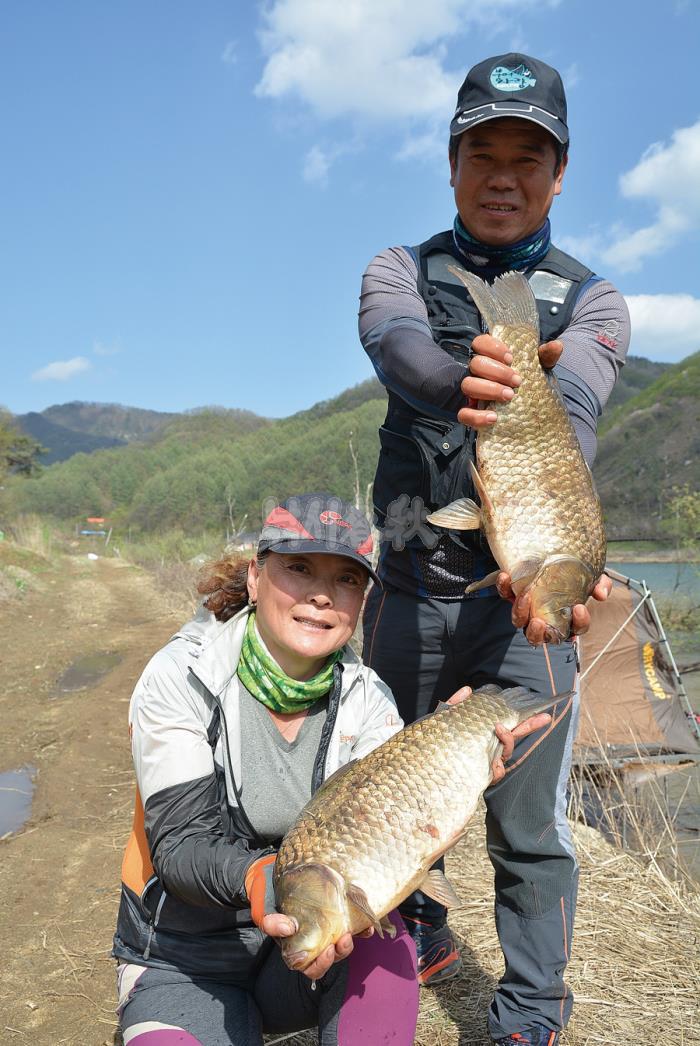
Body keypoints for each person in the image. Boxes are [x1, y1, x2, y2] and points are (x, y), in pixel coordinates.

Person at [359, 53, 630, 1044]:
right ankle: (411, 928)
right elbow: (399, 347)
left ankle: (527, 1013)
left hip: (528, 604)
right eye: (483, 152)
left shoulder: (594, 300)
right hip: (405, 595)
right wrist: (459, 377)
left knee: (528, 828)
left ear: (559, 175)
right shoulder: (397, 267)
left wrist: (562, 518)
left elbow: (585, 401)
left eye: (529, 156)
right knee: (386, 796)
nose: (504, 174)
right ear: (450, 162)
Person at [112, 492, 548, 1046]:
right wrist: (275, 884)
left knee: (388, 942)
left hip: (305, 946)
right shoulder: (181, 674)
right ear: (254, 576)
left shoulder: (369, 699)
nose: (321, 595)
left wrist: (450, 753)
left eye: (346, 580)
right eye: (298, 568)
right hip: (184, 958)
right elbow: (181, 848)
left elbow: (396, 840)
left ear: (361, 600)